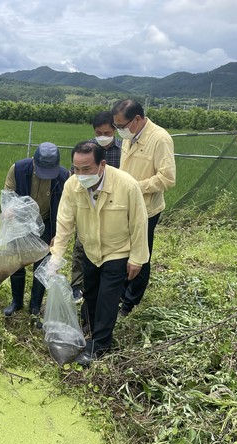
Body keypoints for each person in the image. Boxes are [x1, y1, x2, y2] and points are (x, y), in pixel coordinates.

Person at [49, 141, 148, 366]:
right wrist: (56, 257)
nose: (81, 174)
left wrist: (137, 259)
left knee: (107, 298)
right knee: (91, 293)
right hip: (90, 249)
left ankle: (101, 345)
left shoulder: (127, 185)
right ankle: (91, 331)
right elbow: (64, 223)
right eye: (76, 169)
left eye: (87, 169)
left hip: (117, 250)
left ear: (102, 165)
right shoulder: (72, 185)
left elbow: (139, 224)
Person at [111, 99, 176, 317]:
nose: (120, 131)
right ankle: (120, 294)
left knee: (140, 254)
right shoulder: (131, 137)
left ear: (137, 119)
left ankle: (130, 303)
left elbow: (167, 178)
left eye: (122, 126)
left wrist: (136, 187)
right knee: (123, 252)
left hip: (146, 209)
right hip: (124, 206)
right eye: (116, 126)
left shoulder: (160, 139)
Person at [2, 142, 69, 325]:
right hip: (20, 221)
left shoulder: (63, 176)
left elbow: (66, 207)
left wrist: (58, 234)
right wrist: (9, 209)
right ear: (34, 161)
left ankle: (35, 307)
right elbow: (8, 194)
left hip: (47, 222)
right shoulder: (18, 169)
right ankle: (16, 302)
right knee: (17, 261)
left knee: (43, 264)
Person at [70, 111, 123, 304]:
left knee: (110, 246)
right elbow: (74, 177)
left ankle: (107, 286)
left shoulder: (123, 150)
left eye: (107, 132)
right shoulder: (86, 150)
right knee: (81, 245)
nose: (103, 136)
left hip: (112, 206)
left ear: (114, 130)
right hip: (87, 205)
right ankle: (77, 286)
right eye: (99, 132)